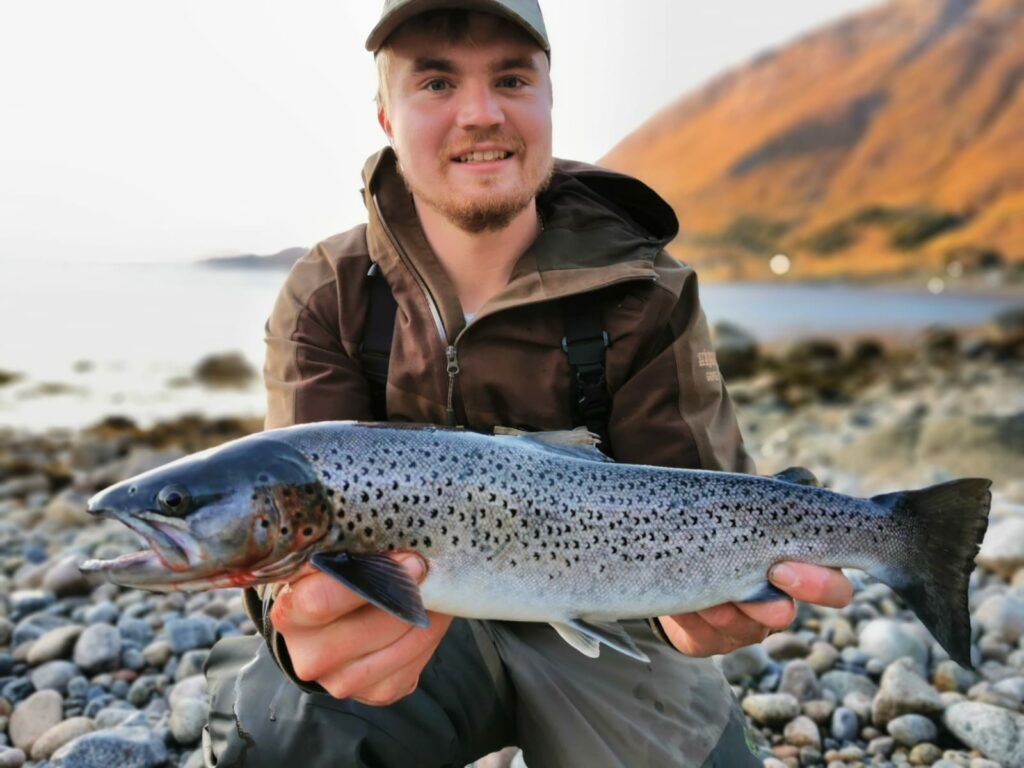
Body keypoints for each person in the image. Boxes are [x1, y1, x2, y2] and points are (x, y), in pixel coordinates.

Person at [202, 2, 852, 766]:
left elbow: (700, 497)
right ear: (386, 115)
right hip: (409, 617)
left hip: (615, 632)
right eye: (436, 82)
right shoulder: (328, 293)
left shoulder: (646, 290)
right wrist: (296, 624)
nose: (479, 114)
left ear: (548, 98)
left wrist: (706, 608)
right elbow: (296, 526)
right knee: (283, 734)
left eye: (510, 78)